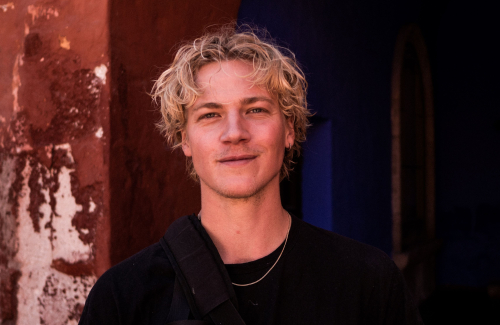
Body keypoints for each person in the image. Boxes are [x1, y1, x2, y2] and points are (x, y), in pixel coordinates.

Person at [79, 26, 423, 325]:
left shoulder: (368, 283)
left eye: (255, 109)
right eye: (210, 114)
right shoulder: (123, 297)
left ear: (289, 129)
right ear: (184, 139)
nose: (235, 133)